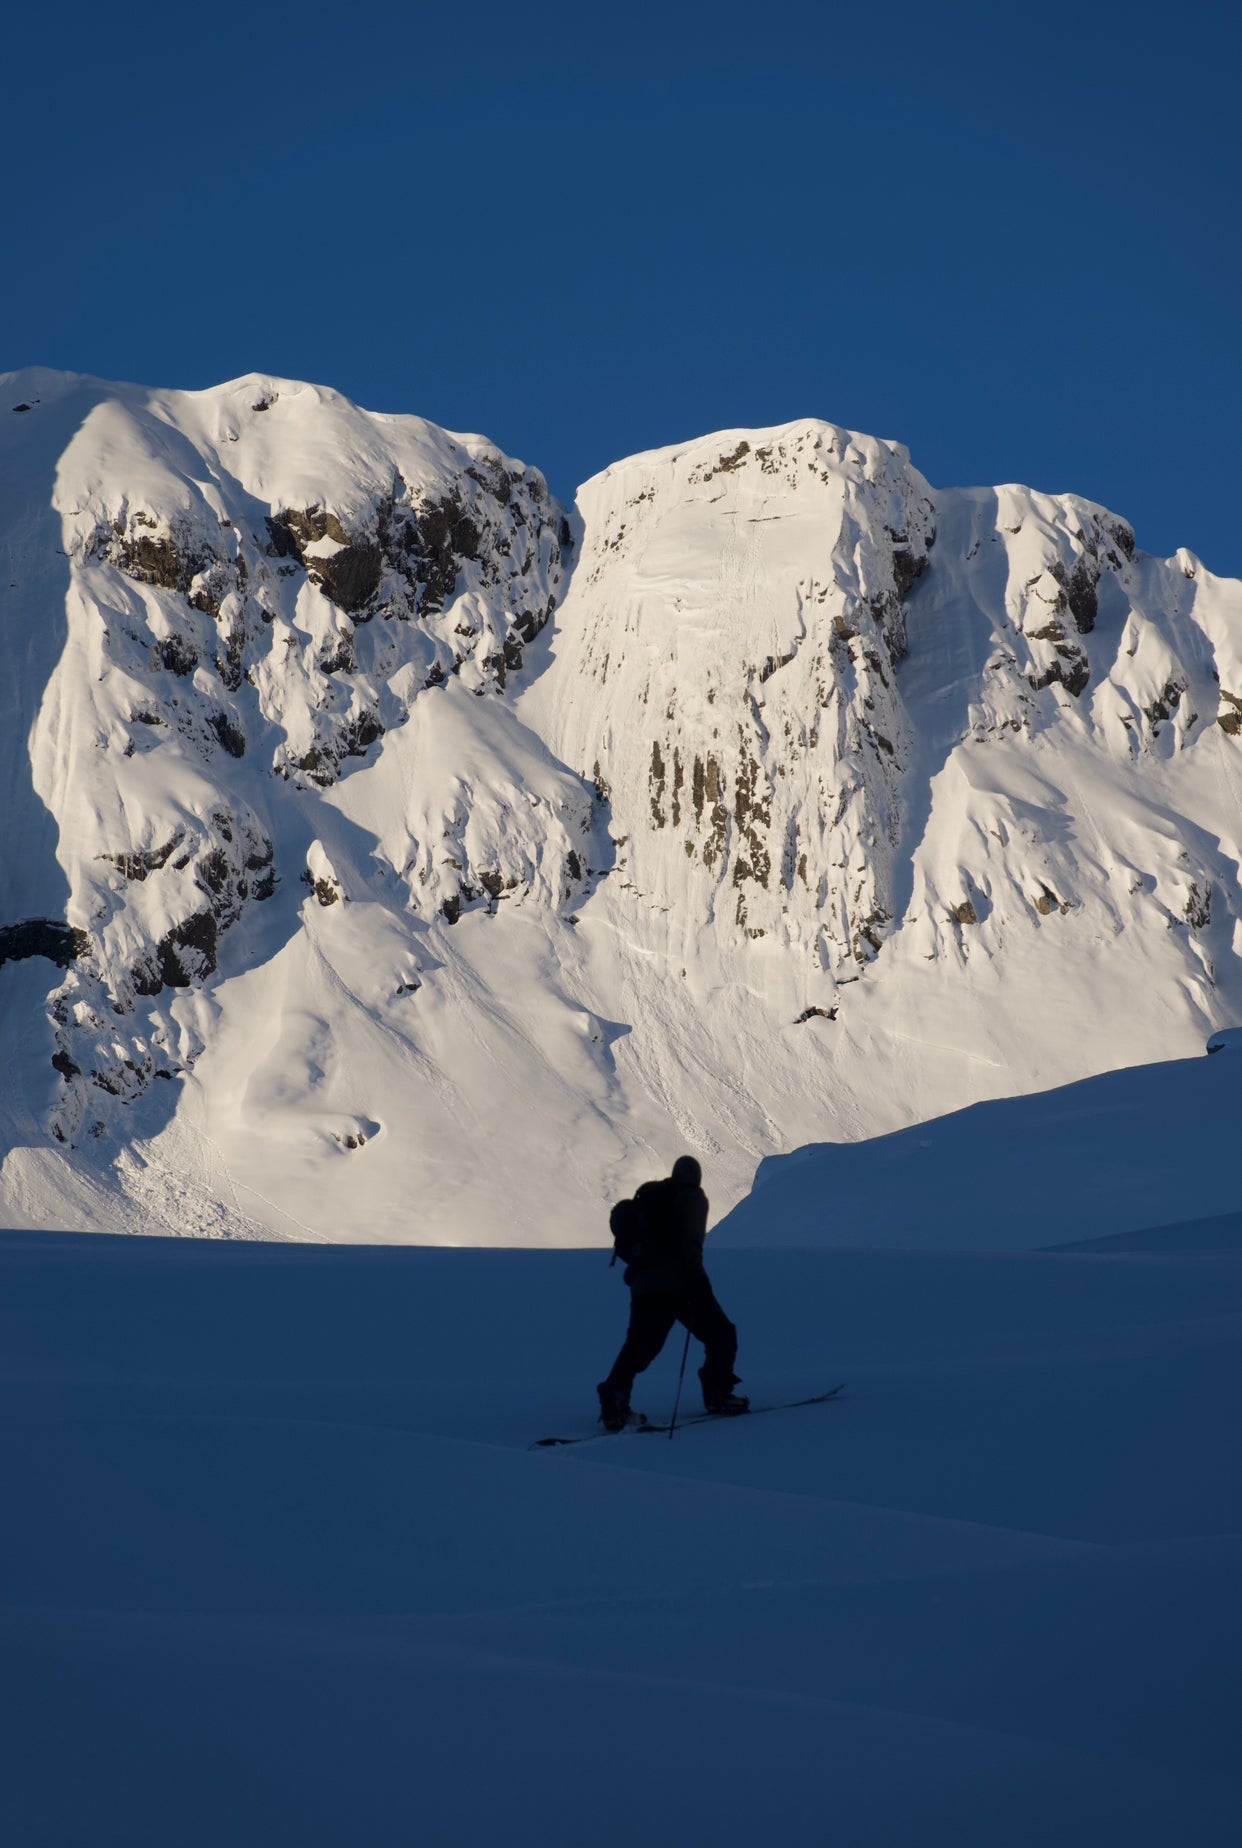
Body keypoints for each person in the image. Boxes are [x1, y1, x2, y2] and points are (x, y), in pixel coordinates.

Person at [597, 1154, 749, 1431]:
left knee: (640, 1346)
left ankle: (614, 1400)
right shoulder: (692, 1198)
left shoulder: (653, 1196)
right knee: (721, 1334)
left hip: (644, 1285)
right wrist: (698, 1281)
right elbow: (691, 1244)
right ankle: (718, 1392)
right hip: (680, 1284)